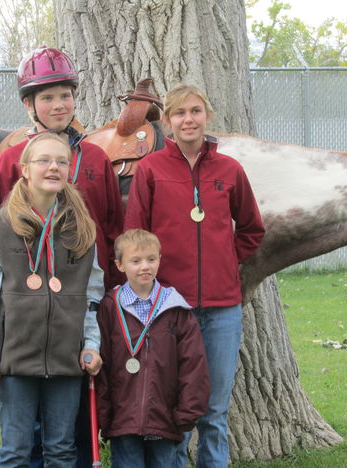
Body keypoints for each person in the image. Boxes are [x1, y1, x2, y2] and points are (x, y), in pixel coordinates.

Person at [124, 84, 265, 468]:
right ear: (167, 121)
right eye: (180, 113)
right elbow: (135, 235)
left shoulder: (230, 170)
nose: (189, 119)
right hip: (169, 308)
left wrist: (224, 259)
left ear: (207, 116)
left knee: (214, 411)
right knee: (176, 410)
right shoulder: (151, 169)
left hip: (222, 309)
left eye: (196, 111)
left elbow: (252, 228)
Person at [0, 133, 103, 466]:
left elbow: (91, 295)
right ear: (25, 169)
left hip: (66, 359)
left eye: (61, 161)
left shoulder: (83, 229)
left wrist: (91, 344)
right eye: (43, 160)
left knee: (61, 451)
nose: (53, 167)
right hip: (16, 361)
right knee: (15, 451)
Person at [0, 45, 124, 291]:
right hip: (29, 291)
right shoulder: (11, 161)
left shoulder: (96, 158)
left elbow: (112, 228)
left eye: (65, 96)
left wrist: (115, 287)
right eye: (47, 98)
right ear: (29, 104)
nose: (59, 105)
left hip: (89, 289)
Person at [95, 228, 211, 468]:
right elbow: (102, 363)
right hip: (122, 419)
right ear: (120, 265)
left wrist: (186, 414)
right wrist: (103, 414)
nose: (144, 266)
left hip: (165, 417)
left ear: (160, 259)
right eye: (135, 261)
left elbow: (193, 365)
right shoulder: (109, 307)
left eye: (151, 259)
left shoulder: (175, 308)